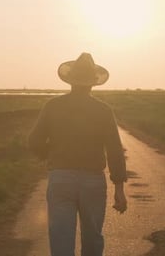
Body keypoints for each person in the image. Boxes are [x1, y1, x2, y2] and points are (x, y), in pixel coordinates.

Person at [28, 52, 127, 256]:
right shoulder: (103, 110)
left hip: (60, 178)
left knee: (61, 239)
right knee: (92, 240)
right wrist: (119, 189)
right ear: (92, 83)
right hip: (93, 181)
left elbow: (33, 142)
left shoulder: (53, 106)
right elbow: (115, 150)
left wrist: (52, 155)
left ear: (70, 81)